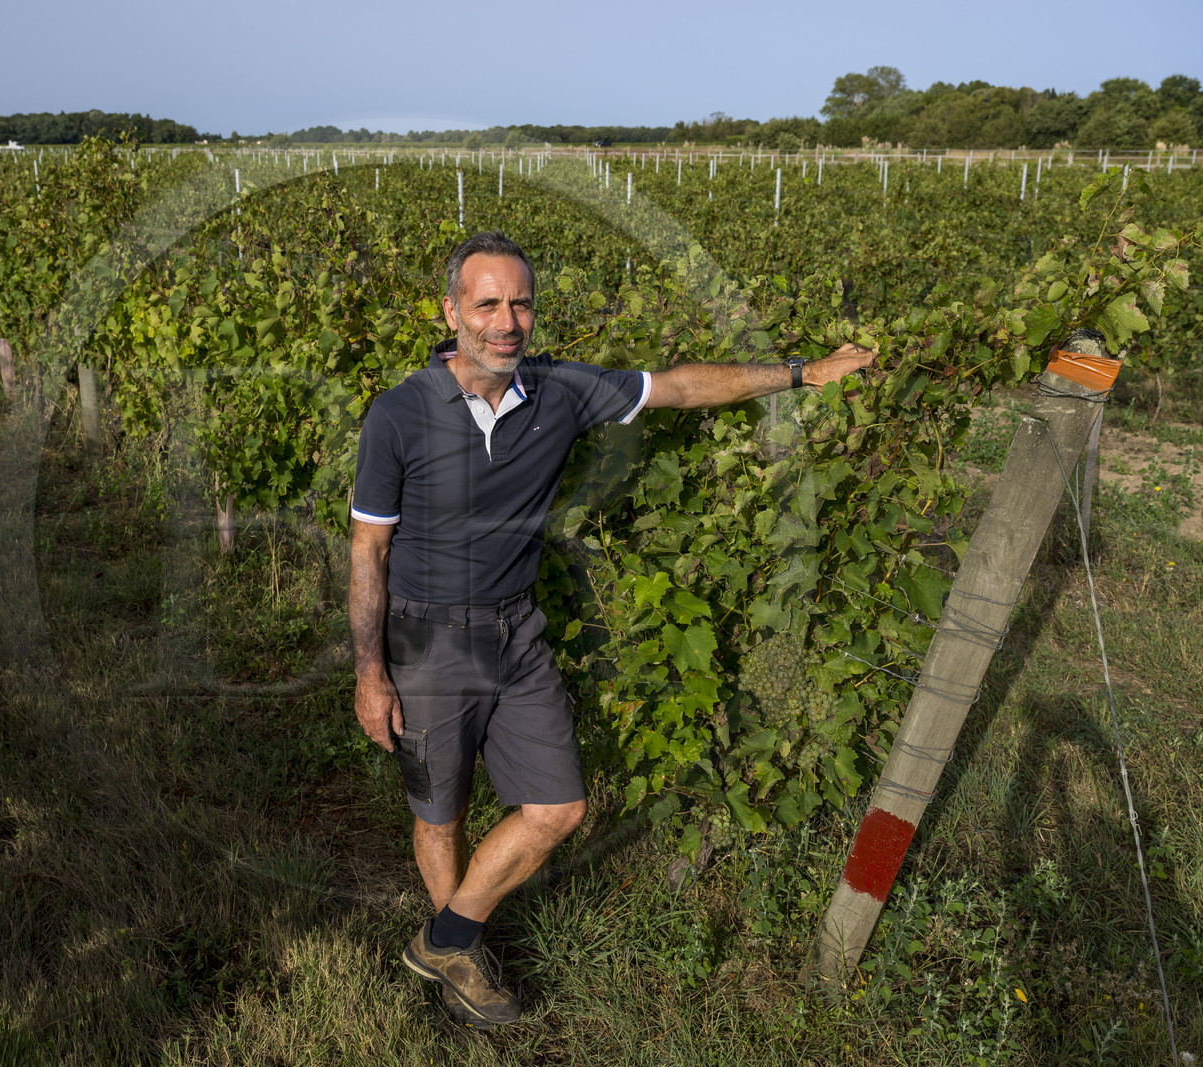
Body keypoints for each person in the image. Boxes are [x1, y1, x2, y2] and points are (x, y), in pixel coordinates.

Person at [348, 231, 875, 1027]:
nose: (505, 321)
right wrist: (370, 670)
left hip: (516, 630)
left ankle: (447, 936)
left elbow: (685, 388)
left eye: (520, 302)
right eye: (486, 303)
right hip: (427, 639)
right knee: (439, 812)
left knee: (558, 808)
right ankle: (465, 958)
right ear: (450, 310)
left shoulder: (561, 389)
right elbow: (369, 548)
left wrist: (803, 371)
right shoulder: (397, 415)